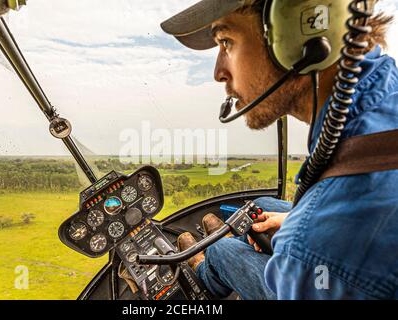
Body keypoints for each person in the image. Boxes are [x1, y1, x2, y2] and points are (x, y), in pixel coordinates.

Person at [162, 0, 398, 299]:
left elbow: (334, 233)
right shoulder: (384, 92)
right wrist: (291, 221)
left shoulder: (310, 243)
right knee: (262, 205)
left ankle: (206, 270)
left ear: (298, 34)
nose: (219, 72)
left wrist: (297, 236)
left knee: (222, 249)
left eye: (226, 42)